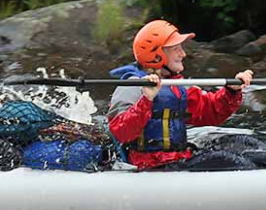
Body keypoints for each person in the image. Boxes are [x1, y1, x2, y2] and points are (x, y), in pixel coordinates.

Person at [107, 19, 254, 170]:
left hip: (178, 158)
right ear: (157, 55)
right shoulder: (132, 85)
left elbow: (210, 112)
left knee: (246, 143)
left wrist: (231, 91)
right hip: (150, 164)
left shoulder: (176, 85)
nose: (183, 54)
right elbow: (120, 132)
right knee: (230, 161)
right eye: (176, 49)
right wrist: (147, 100)